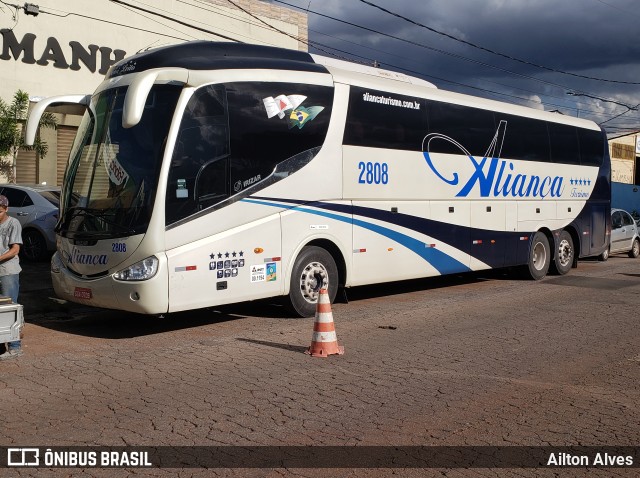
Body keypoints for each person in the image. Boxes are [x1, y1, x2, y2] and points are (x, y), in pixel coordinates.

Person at [0, 194, 23, 359]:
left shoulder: (13, 223)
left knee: (10, 308)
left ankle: (15, 346)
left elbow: (15, 249)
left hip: (8, 271)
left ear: (6, 209)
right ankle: (1, 344)